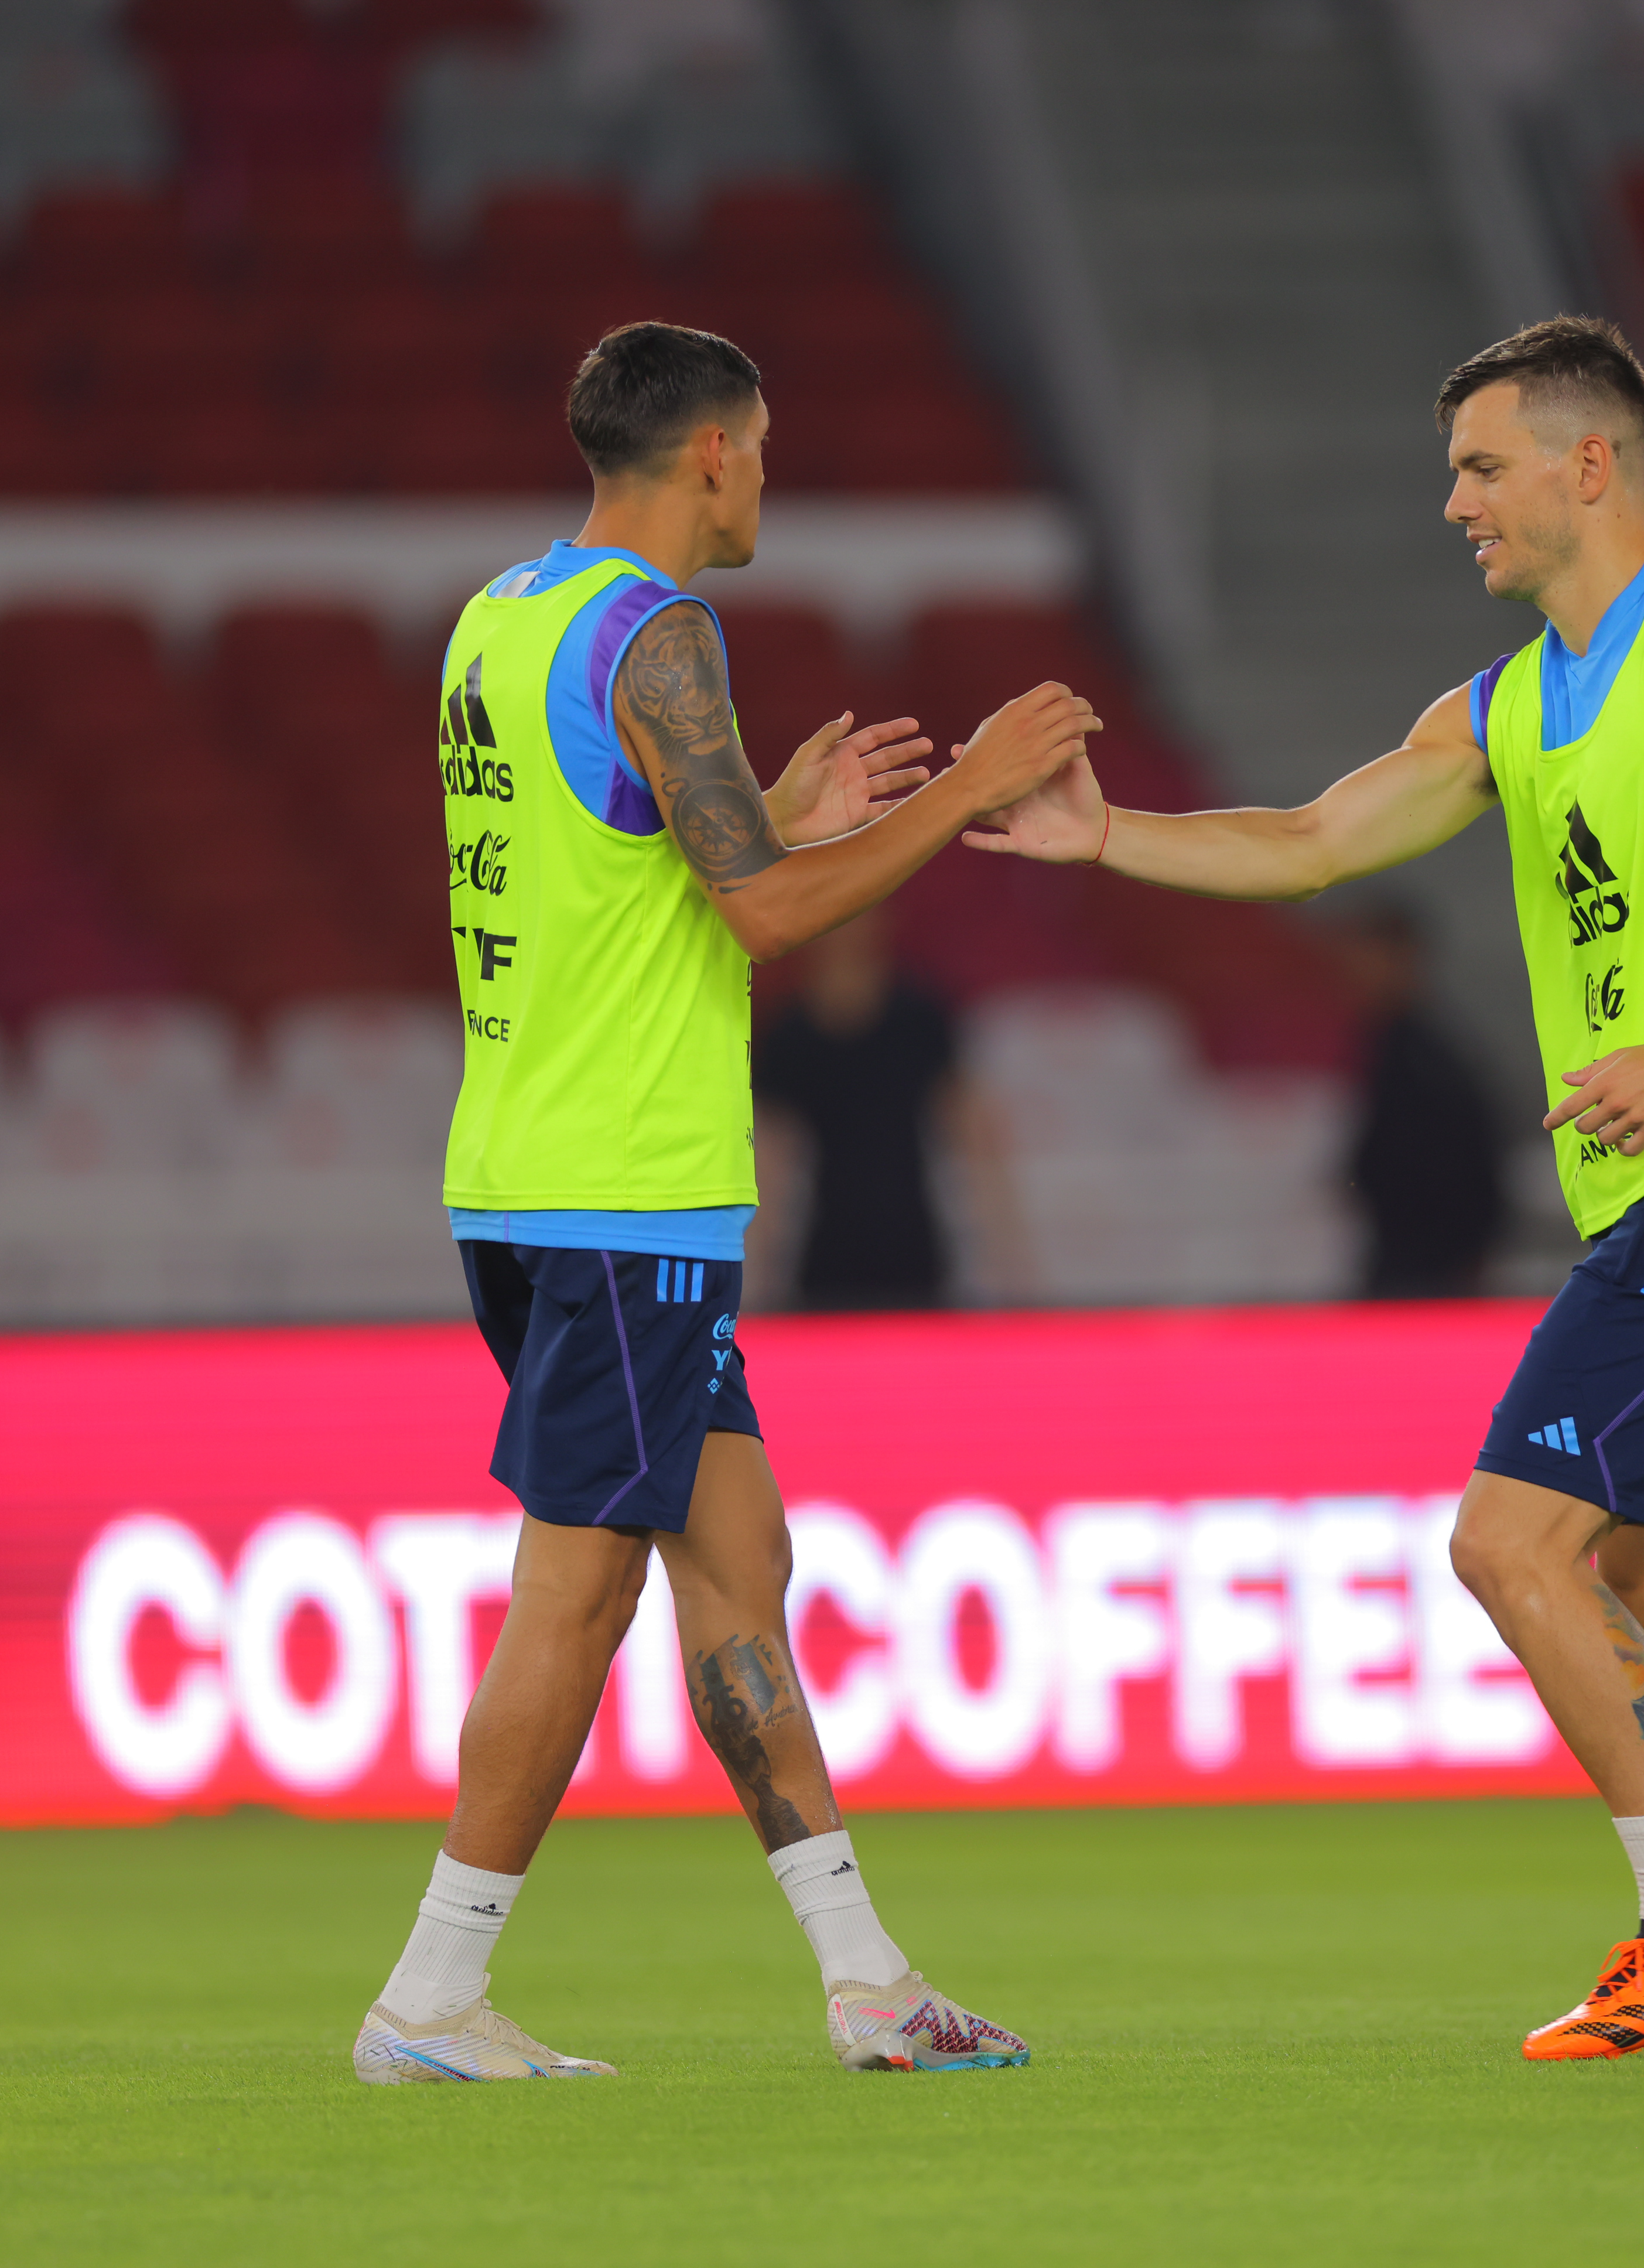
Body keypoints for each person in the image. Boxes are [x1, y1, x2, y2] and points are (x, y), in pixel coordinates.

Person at [970, 315, 1644, 2057]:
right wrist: (1112, 838)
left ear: (1588, 462)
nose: (1455, 501)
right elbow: (1316, 838)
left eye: (1481, 466)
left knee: (1503, 1539)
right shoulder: (1506, 705)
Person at [352, 321, 1096, 2085]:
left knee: (737, 1565)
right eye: (756, 448)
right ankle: (430, 1998)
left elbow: (618, 869)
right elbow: (762, 919)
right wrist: (974, 791)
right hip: (625, 1188)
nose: (763, 476)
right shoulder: (663, 631)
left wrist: (769, 813)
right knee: (577, 1595)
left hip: (534, 1168)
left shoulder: (503, 616)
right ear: (705, 456)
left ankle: (865, 1982)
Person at [752, 904, 1028, 1309]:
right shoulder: (787, 1038)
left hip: (915, 1254)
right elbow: (767, 1173)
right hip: (825, 1263)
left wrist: (1010, 1264)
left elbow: (976, 1146)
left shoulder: (921, 1020)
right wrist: (758, 1284)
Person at [1329, 899, 1506, 1298]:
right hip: (1410, 1265)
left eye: (1365, 957)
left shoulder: (1426, 1060)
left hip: (1423, 1277)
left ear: (1404, 959)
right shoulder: (1391, 1048)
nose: (1352, 972)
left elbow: (1457, 1175)